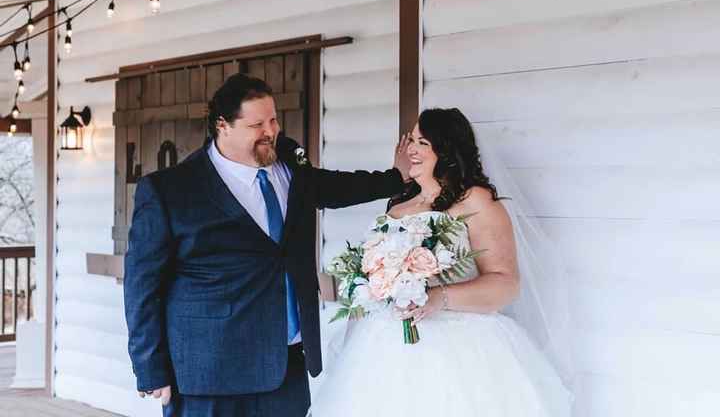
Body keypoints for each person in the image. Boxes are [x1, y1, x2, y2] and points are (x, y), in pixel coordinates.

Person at [123, 73, 411, 417]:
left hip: (284, 365)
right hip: (209, 373)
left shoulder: (289, 163)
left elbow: (334, 188)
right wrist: (150, 369)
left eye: (273, 119)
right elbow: (142, 286)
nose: (271, 131)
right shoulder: (169, 190)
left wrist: (397, 178)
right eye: (256, 124)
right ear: (223, 126)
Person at [310, 108, 573, 416]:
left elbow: (505, 281)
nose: (411, 149)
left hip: (459, 344)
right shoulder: (397, 204)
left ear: (446, 150)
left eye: (423, 142)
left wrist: (439, 297)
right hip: (383, 344)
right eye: (412, 140)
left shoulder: (475, 201)